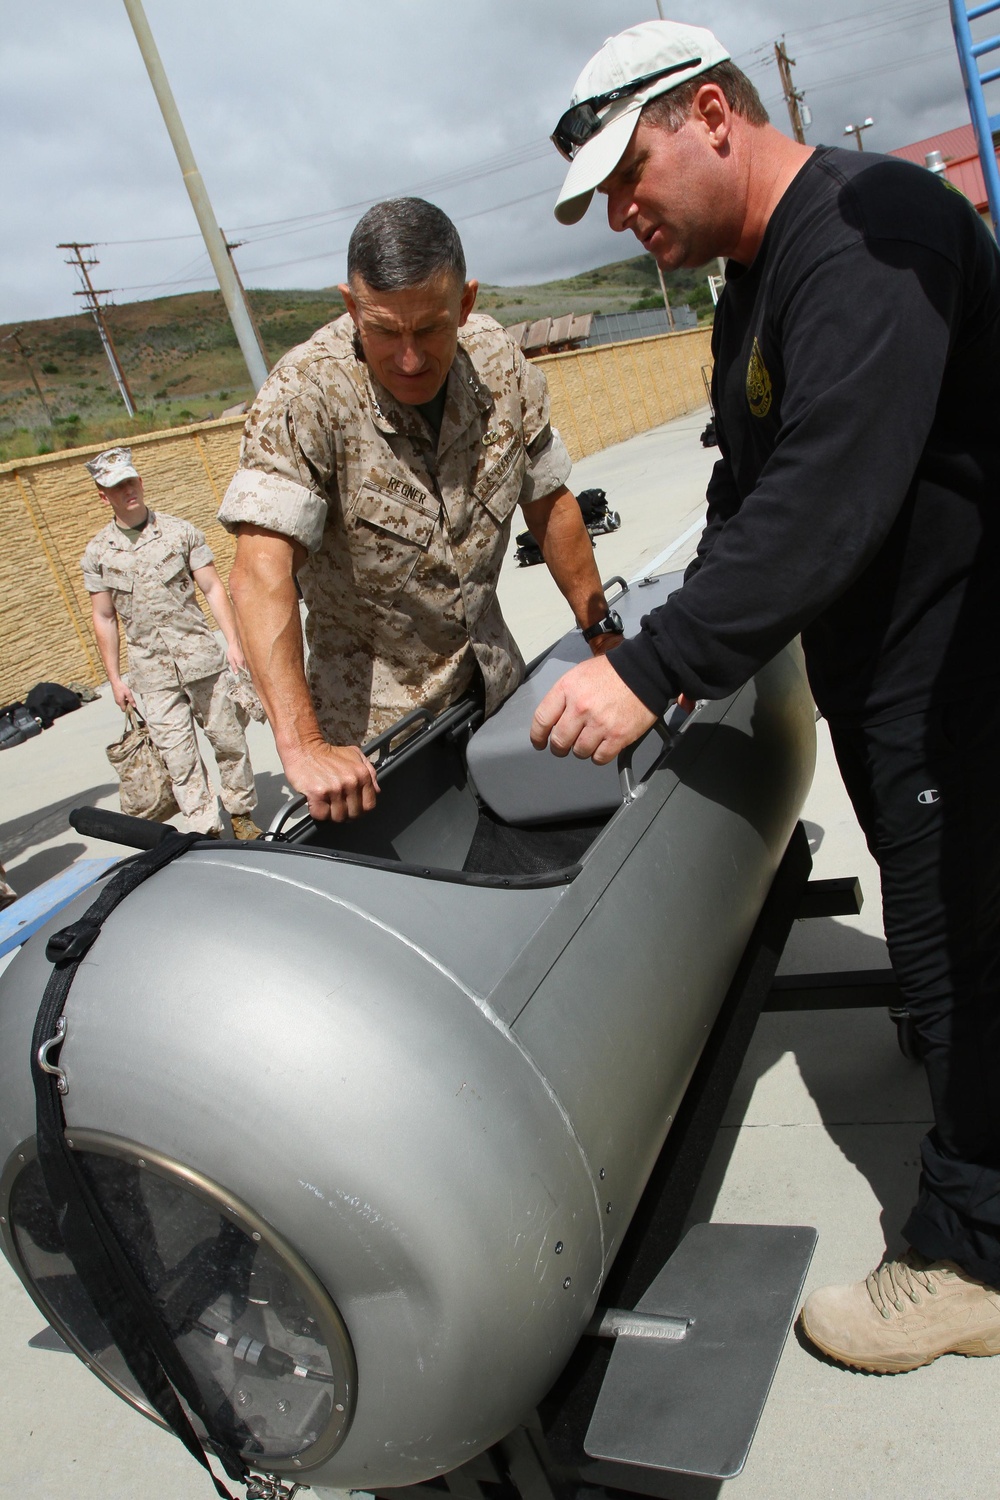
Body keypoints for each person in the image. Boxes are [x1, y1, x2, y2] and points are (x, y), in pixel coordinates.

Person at [533, 18, 1000, 1374]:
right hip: (891, 661)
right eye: (604, 202)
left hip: (964, 659)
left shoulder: (865, 233)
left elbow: (828, 494)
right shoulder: (755, 283)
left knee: (965, 928)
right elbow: (752, 485)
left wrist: (656, 671)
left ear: (717, 116)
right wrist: (673, 625)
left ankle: (972, 1254)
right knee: (948, 922)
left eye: (633, 176)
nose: (625, 218)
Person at [219, 197, 623, 824]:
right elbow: (258, 573)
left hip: (495, 695)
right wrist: (303, 748)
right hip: (375, 749)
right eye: (383, 330)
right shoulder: (306, 395)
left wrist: (603, 635)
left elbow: (549, 502)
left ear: (465, 304)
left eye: (430, 328)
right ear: (352, 308)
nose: (409, 358)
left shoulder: (498, 366)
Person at [81, 447, 262, 840]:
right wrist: (114, 679)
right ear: (102, 495)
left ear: (140, 482)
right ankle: (206, 831)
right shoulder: (97, 554)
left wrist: (233, 642)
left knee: (229, 740)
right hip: (152, 673)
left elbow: (213, 588)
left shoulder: (181, 533)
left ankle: (241, 814)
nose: (127, 490)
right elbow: (104, 616)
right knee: (179, 759)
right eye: (116, 486)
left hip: (202, 660)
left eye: (131, 481)